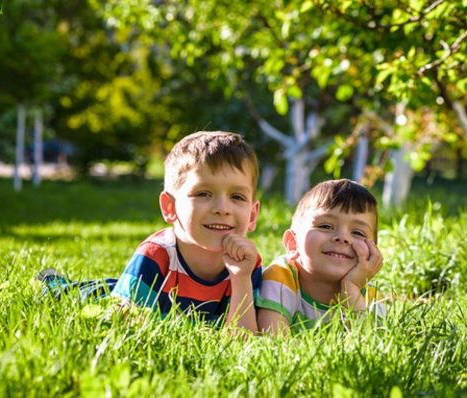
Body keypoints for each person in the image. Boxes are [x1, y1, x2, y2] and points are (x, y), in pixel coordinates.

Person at [40, 131, 262, 330]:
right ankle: (54, 282)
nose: (222, 209)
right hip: (125, 294)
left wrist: (241, 278)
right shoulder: (156, 255)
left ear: (252, 215)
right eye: (203, 193)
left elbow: (244, 338)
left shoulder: (246, 261)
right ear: (170, 207)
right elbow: (121, 323)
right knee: (85, 292)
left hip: (150, 294)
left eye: (237, 197)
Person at [256, 179, 385, 334]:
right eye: (325, 226)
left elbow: (374, 346)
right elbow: (273, 339)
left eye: (357, 232)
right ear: (293, 242)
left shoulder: (371, 297)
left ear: (372, 251)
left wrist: (351, 289)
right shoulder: (282, 276)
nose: (342, 237)